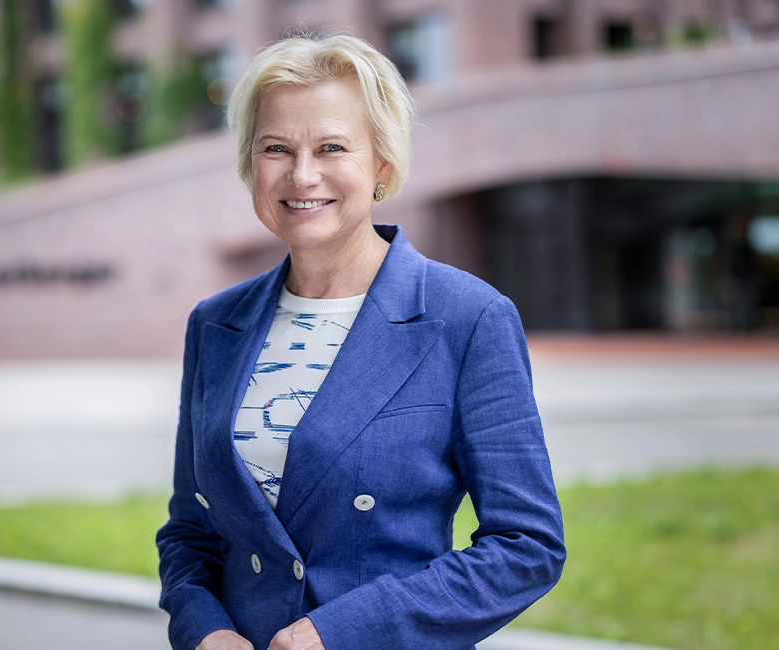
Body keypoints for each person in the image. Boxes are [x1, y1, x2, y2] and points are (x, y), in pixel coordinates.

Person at [156, 33, 565, 650]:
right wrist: (204, 631)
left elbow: (527, 546)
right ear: (249, 165)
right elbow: (191, 531)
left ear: (382, 164)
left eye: (332, 147)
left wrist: (340, 632)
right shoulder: (216, 324)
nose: (302, 174)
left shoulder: (466, 317)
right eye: (276, 148)